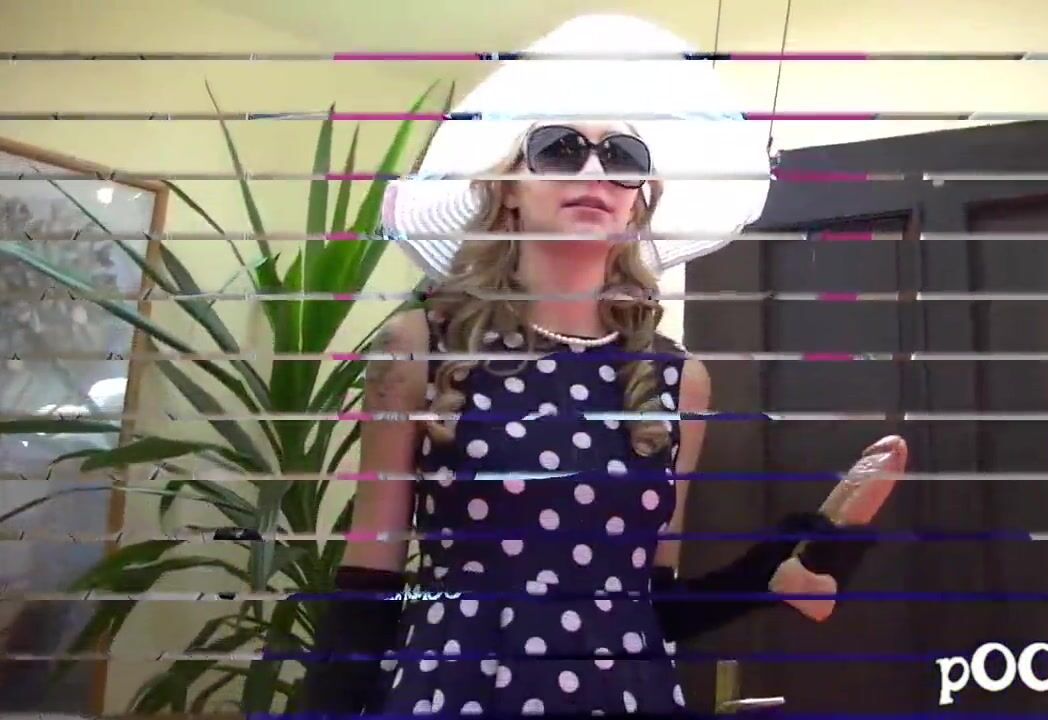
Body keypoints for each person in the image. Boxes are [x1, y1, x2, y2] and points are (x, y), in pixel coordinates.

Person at [296, 15, 908, 718]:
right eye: (559, 150)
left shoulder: (677, 380)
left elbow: (652, 603)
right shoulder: (421, 348)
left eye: (621, 156)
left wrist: (790, 560)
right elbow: (369, 578)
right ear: (508, 188)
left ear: (636, 201)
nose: (594, 172)